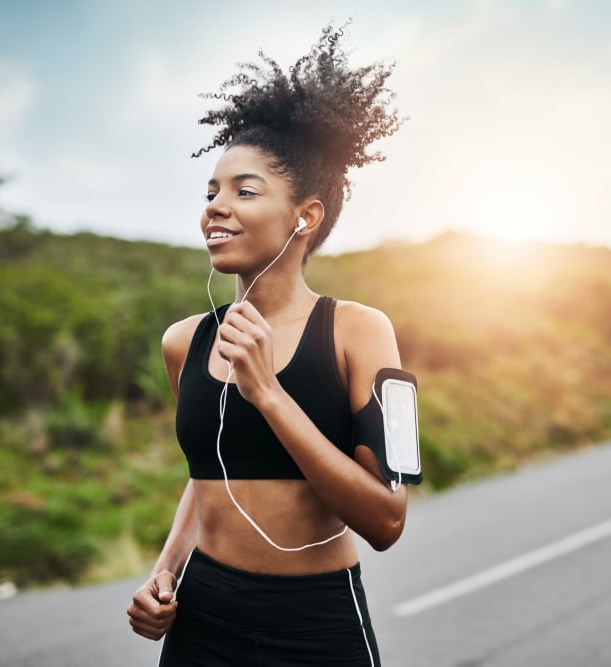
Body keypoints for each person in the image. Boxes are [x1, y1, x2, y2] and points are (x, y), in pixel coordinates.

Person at [126, 23, 410, 666]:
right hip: (201, 616)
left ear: (304, 216)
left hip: (316, 623)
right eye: (210, 193)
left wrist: (268, 393)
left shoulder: (360, 331)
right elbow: (209, 477)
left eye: (243, 190)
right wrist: (165, 571)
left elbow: (387, 521)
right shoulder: (184, 342)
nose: (214, 208)